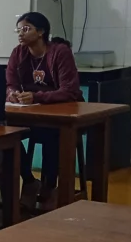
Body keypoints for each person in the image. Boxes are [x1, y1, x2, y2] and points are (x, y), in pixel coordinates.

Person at [7, 11, 83, 211]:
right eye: (18, 30)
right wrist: (13, 93)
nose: (20, 33)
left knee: (52, 134)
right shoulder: (18, 53)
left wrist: (37, 97)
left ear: (41, 32)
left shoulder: (59, 52)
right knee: (5, 132)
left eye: (26, 29)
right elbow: (10, 83)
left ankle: (50, 187)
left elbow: (69, 90)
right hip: (30, 112)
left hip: (62, 113)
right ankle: (29, 180)